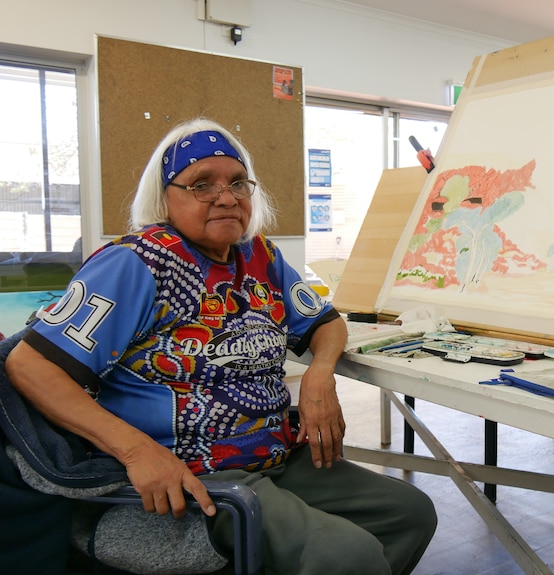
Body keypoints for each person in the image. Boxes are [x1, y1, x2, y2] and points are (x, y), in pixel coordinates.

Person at [5, 118, 437, 574]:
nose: (226, 197)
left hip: (275, 454)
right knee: (345, 555)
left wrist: (320, 372)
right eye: (201, 185)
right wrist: (136, 451)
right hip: (194, 472)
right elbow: (30, 366)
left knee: (409, 514)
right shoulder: (135, 263)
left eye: (237, 183)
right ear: (164, 198)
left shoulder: (260, 255)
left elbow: (326, 323)